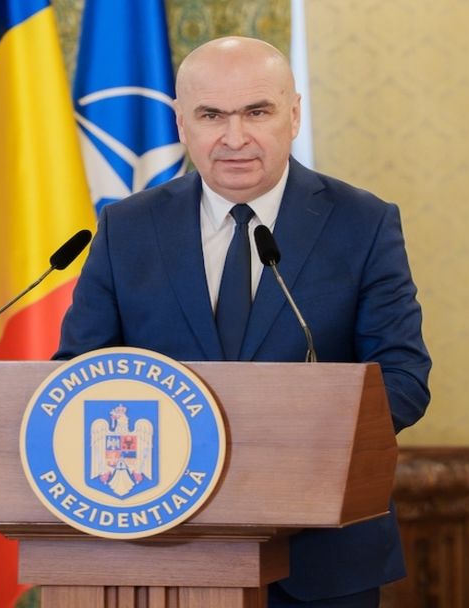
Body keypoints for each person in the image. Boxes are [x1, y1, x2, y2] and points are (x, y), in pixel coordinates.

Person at [55, 36, 431, 607]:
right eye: (212, 115)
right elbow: (79, 374)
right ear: (182, 124)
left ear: (294, 115)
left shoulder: (363, 223)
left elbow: (403, 378)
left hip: (321, 556)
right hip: (158, 550)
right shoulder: (126, 229)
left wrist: (294, 441)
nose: (235, 138)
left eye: (257, 112)